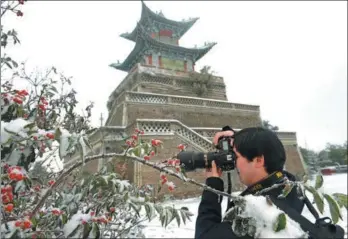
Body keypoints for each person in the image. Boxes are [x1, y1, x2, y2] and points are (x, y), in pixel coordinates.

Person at [195, 127, 305, 239]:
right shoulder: (289, 187)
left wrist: (212, 186)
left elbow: (204, 236)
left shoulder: (258, 215)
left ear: (258, 160)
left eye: (236, 156)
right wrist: (239, 140)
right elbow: (266, 145)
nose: (233, 162)